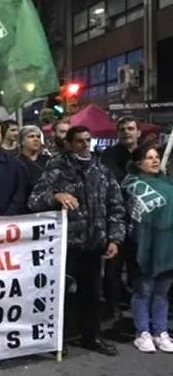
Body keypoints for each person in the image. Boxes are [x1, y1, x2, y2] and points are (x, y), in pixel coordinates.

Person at [28, 125, 125, 356]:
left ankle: (92, 337)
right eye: (79, 141)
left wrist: (114, 238)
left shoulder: (101, 171)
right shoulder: (57, 168)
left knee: (91, 296)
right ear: (70, 143)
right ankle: (57, 340)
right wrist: (55, 196)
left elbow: (116, 206)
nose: (85, 145)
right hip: (66, 246)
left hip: (93, 244)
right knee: (59, 296)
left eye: (88, 140)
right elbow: (35, 201)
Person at [121, 144, 173, 353]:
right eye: (148, 157)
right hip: (144, 245)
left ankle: (160, 331)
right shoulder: (131, 185)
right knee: (144, 290)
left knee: (162, 292)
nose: (154, 161)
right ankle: (142, 331)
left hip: (168, 246)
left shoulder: (168, 183)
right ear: (137, 162)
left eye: (156, 157)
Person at [101, 116, 141, 317]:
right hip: (117, 219)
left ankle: (138, 304)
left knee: (138, 265)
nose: (127, 132)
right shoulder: (110, 154)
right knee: (114, 267)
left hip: (141, 221)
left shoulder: (146, 154)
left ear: (138, 132)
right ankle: (113, 304)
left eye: (131, 128)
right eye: (123, 129)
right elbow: (113, 178)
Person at [17, 125, 50, 197]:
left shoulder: (48, 160)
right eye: (31, 136)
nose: (36, 139)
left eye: (38, 137)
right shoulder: (15, 163)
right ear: (22, 141)